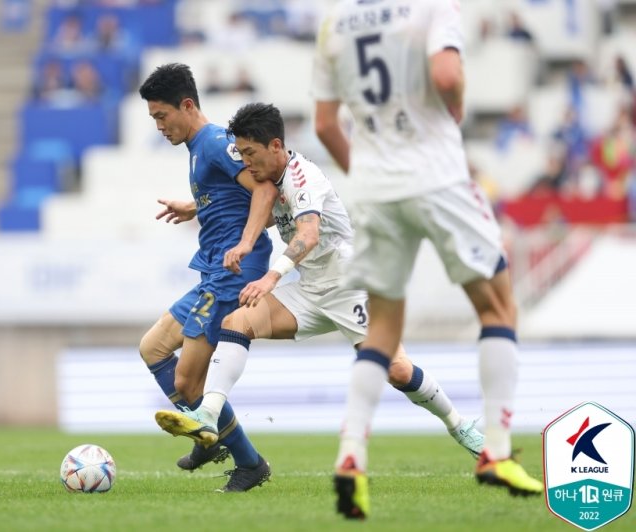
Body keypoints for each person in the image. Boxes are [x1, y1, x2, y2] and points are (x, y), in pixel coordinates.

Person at [311, 0, 544, 519]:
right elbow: (444, 72)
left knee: (381, 333)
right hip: (438, 177)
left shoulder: (334, 23)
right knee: (499, 308)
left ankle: (351, 455)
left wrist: (371, 178)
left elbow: (325, 125)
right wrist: (456, 103)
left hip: (376, 190)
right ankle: (497, 453)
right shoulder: (433, 7)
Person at [153, 102, 485, 462]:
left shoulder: (302, 178)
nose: (246, 163)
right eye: (242, 154)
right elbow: (264, 214)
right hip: (310, 290)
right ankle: (208, 416)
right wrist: (198, 209)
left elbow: (308, 235)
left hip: (351, 285)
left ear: (276, 146)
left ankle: (459, 424)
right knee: (237, 322)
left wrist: (271, 276)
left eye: (250, 153)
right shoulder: (270, 179)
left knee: (397, 370)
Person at [137, 63, 278, 492]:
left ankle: (240, 457)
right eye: (153, 120)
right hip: (214, 270)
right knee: (153, 348)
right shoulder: (199, 149)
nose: (159, 126)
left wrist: (245, 244)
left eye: (162, 116)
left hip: (234, 273)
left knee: (187, 382)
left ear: (186, 105)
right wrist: (196, 206)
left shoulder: (216, 143)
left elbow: (266, 190)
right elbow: (234, 194)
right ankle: (215, 439)